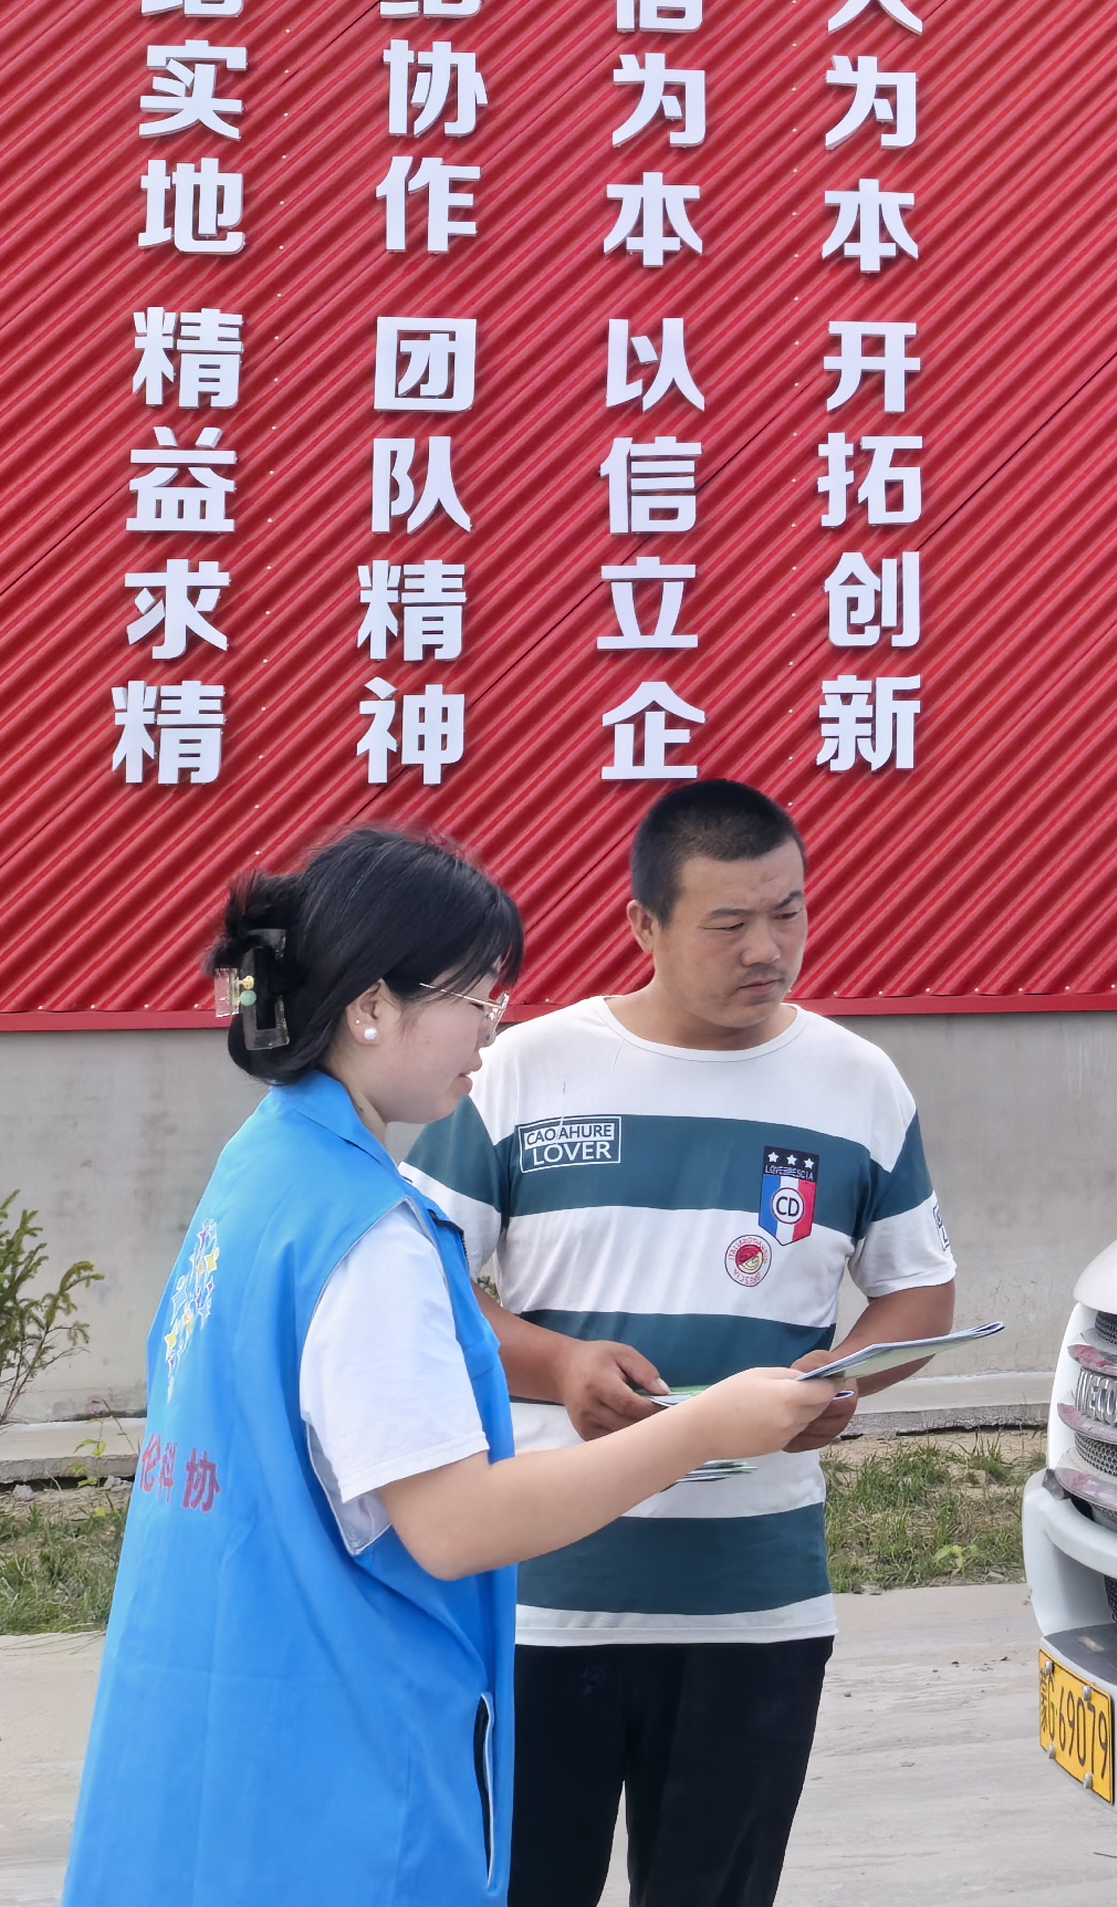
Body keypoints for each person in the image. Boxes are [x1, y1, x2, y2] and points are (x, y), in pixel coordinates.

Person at [64, 826, 831, 1907]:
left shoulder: (262, 1169)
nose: (491, 1028)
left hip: (216, 1723)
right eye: (476, 997)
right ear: (373, 1006)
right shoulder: (368, 1234)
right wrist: (704, 1429)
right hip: (338, 1765)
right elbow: (456, 1524)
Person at [409, 780, 958, 1907]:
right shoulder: (520, 1071)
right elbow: (422, 1292)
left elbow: (919, 1293)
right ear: (643, 926)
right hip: (545, 1601)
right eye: (729, 923)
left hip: (757, 1603)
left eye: (788, 913)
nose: (767, 949)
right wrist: (559, 1365)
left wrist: (840, 1376)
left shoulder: (858, 1084)